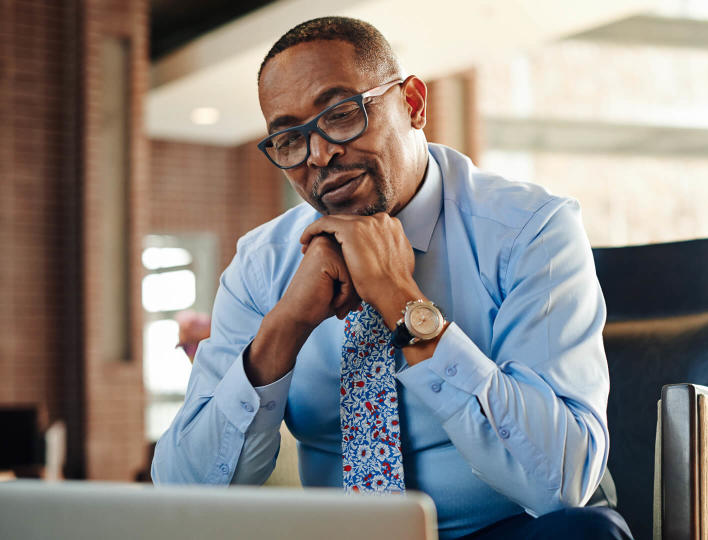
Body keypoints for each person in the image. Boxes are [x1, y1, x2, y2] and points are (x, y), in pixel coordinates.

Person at [151, 16, 631, 540]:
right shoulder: (262, 265)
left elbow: (563, 482)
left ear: (414, 103)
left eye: (340, 114)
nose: (320, 154)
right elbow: (183, 496)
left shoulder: (529, 230)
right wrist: (285, 326)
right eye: (290, 139)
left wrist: (403, 303)